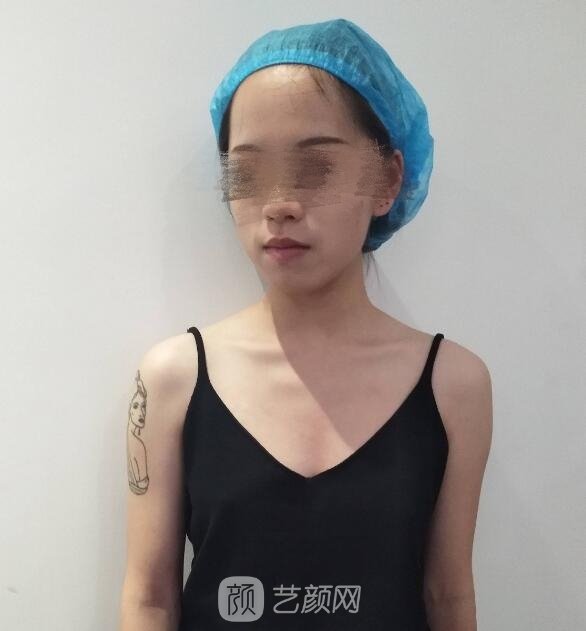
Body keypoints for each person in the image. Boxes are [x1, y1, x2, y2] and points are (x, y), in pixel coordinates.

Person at [118, 18, 493, 631]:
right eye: (248, 173)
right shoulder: (173, 380)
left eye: (315, 168)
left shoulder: (454, 385)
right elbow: (150, 600)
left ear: (388, 180)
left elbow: (448, 597)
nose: (279, 204)